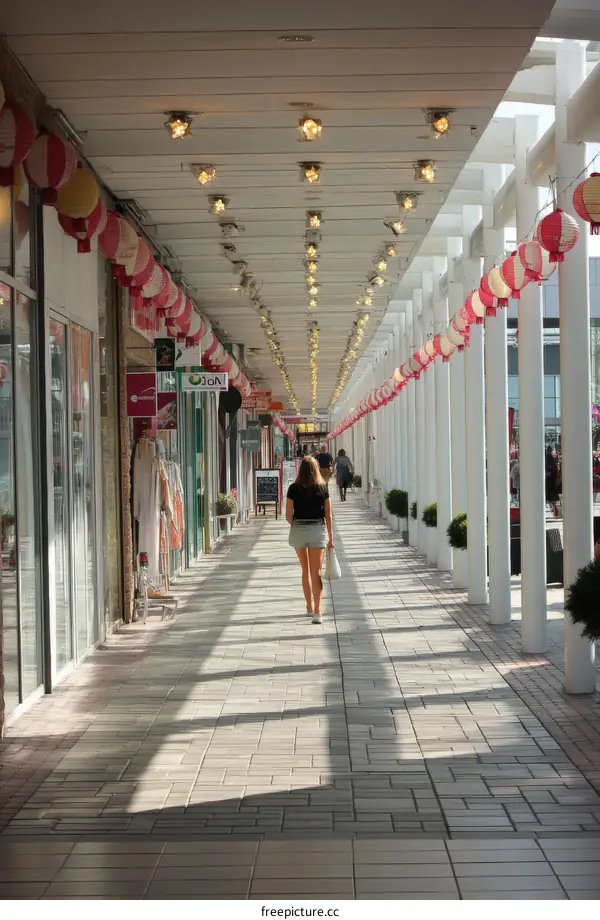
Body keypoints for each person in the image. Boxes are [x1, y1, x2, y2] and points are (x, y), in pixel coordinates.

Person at [286, 456, 334, 625]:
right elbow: (328, 515)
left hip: (299, 529)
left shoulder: (293, 488)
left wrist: (298, 525)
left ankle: (308, 605)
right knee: (316, 572)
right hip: (317, 531)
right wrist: (331, 538)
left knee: (304, 569)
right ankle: (318, 611)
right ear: (316, 469)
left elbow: (287, 515)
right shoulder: (322, 488)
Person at [545, 446, 559, 517]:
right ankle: (555, 515)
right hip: (552, 484)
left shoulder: (546, 464)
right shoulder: (554, 465)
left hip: (547, 484)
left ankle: (554, 514)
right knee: (553, 503)